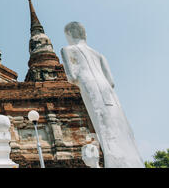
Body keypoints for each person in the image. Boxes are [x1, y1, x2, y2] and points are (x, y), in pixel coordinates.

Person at [61, 22, 144, 168]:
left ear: (68, 35)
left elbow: (72, 77)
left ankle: (114, 161)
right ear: (84, 34)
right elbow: (111, 81)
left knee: (102, 126)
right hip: (107, 89)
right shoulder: (99, 55)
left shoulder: (67, 49)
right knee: (120, 125)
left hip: (88, 85)